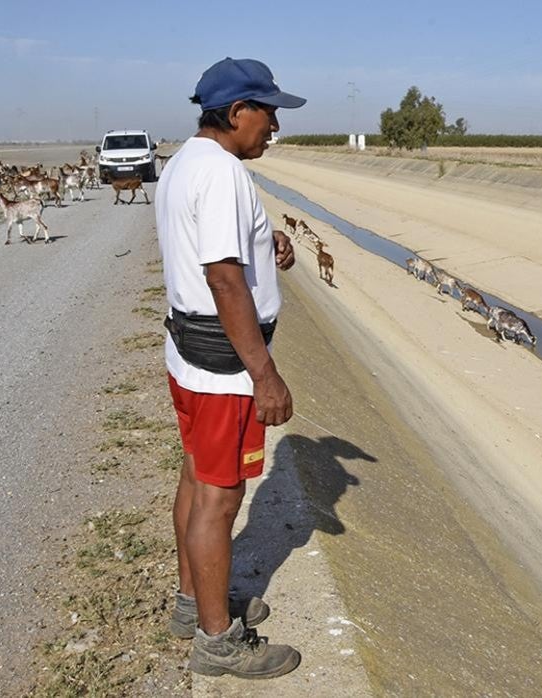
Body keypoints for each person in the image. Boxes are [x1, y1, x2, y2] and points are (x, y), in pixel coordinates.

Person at [155, 57, 305, 680]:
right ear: (237, 111)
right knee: (220, 497)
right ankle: (217, 641)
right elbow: (221, 276)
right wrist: (263, 374)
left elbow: (216, 251)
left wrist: (267, 246)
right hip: (224, 365)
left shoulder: (186, 162)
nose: (274, 126)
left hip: (189, 352)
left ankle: (194, 606)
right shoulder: (221, 175)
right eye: (268, 113)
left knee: (196, 478)